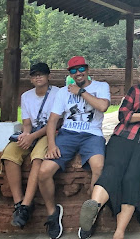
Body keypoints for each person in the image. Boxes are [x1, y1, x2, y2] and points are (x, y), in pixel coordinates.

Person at [77, 55, 140, 239]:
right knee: (112, 171)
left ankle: (119, 232)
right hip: (125, 136)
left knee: (133, 179)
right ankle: (93, 207)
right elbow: (123, 115)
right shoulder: (136, 90)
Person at [38, 56, 111, 239]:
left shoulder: (101, 87)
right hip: (67, 135)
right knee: (44, 171)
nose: (78, 73)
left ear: (87, 69)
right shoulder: (63, 92)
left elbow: (102, 107)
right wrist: (52, 144)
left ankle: (90, 214)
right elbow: (53, 120)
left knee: (99, 167)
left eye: (81, 69)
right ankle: (53, 213)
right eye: (73, 70)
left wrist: (81, 92)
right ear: (69, 73)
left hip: (92, 134)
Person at [1, 62, 59, 228]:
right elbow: (27, 122)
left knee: (38, 157)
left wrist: (32, 136)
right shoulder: (26, 96)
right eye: (34, 75)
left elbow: (55, 122)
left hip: (50, 133)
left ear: (49, 76)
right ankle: (18, 203)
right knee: (10, 154)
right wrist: (26, 135)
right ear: (30, 79)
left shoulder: (57, 93)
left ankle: (26, 205)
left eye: (41, 74)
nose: (38, 77)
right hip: (32, 132)